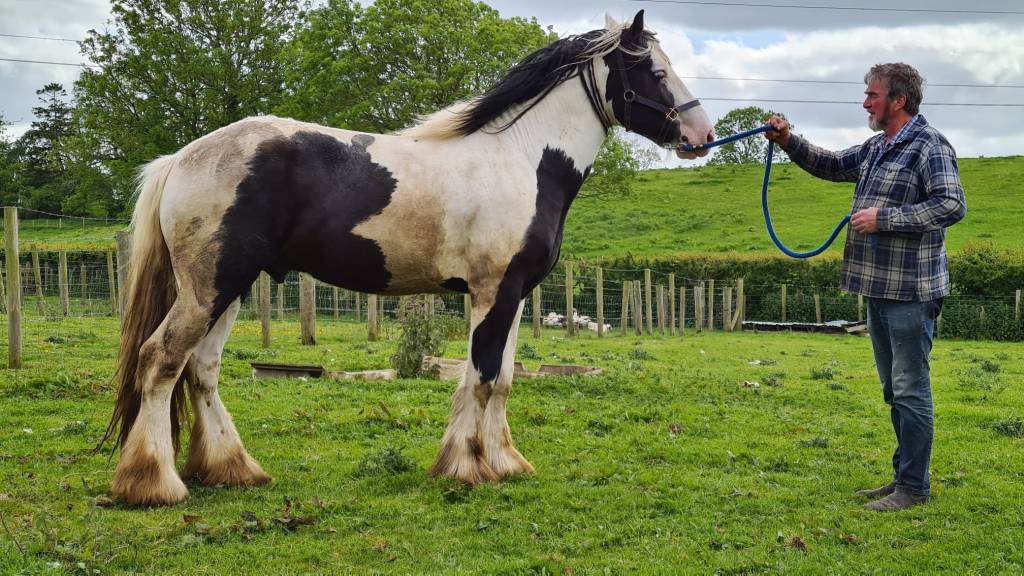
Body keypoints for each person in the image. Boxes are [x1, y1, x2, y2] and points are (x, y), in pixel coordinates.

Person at [765, 63, 967, 511]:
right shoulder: (879, 147)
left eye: (873, 95)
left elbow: (952, 205)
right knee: (894, 390)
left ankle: (914, 489)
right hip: (878, 288)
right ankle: (903, 478)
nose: (865, 102)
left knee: (911, 389)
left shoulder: (930, 146)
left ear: (899, 100)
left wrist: (885, 219)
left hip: (912, 292)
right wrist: (787, 141)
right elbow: (833, 164)